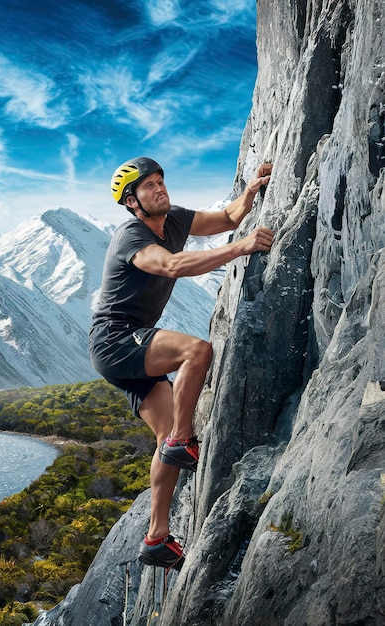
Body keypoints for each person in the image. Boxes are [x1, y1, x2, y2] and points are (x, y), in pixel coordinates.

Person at [88, 157, 273, 569]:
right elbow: (172, 265)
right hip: (115, 340)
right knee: (197, 351)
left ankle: (156, 537)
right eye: (148, 186)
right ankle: (181, 439)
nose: (159, 189)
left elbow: (226, 217)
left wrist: (253, 190)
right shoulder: (130, 236)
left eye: (159, 181)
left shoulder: (174, 220)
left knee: (165, 440)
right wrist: (242, 247)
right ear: (131, 202)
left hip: (122, 349)